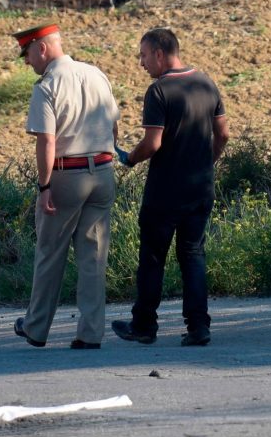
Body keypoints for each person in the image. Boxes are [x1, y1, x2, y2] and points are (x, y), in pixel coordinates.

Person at [112, 28, 229, 347]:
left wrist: (130, 159)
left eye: (144, 55)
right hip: (200, 188)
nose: (141, 63)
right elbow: (223, 135)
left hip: (164, 191)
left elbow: (152, 143)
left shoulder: (159, 91)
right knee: (193, 253)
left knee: (152, 257)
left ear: (160, 54)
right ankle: (198, 327)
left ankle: (144, 325)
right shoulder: (205, 82)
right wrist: (207, 163)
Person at [12, 23, 120, 349]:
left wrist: (44, 187)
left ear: (41, 48)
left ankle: (35, 327)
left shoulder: (47, 86)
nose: (27, 62)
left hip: (66, 175)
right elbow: (114, 125)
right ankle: (90, 333)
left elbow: (46, 141)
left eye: (27, 53)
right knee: (93, 258)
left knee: (50, 254)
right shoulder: (96, 73)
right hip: (102, 172)